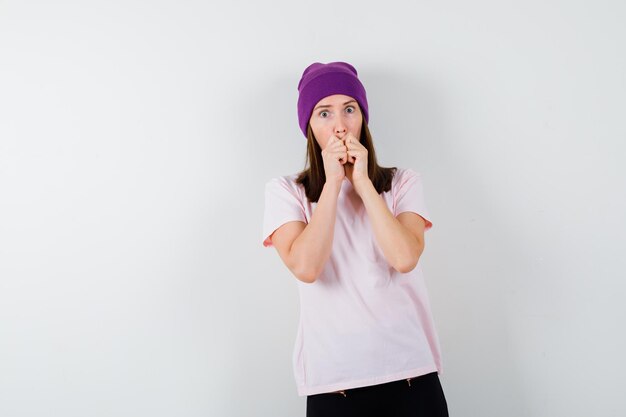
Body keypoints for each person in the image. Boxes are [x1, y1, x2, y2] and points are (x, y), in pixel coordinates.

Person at [262, 61, 449, 417]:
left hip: (411, 376)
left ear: (362, 117)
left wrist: (362, 182)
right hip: (336, 387)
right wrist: (332, 183)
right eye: (324, 113)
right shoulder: (287, 192)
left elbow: (405, 257)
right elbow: (307, 267)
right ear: (309, 126)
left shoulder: (402, 182)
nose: (339, 125)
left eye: (349, 109)